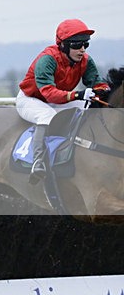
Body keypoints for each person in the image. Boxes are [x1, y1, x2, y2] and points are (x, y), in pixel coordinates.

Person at [16, 19, 109, 184]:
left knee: (87, 109)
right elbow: (49, 93)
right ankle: (38, 162)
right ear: (63, 45)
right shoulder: (47, 59)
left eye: (85, 44)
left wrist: (103, 91)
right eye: (77, 45)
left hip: (59, 98)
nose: (82, 49)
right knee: (47, 116)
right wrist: (77, 95)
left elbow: (98, 83)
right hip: (32, 99)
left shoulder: (85, 60)